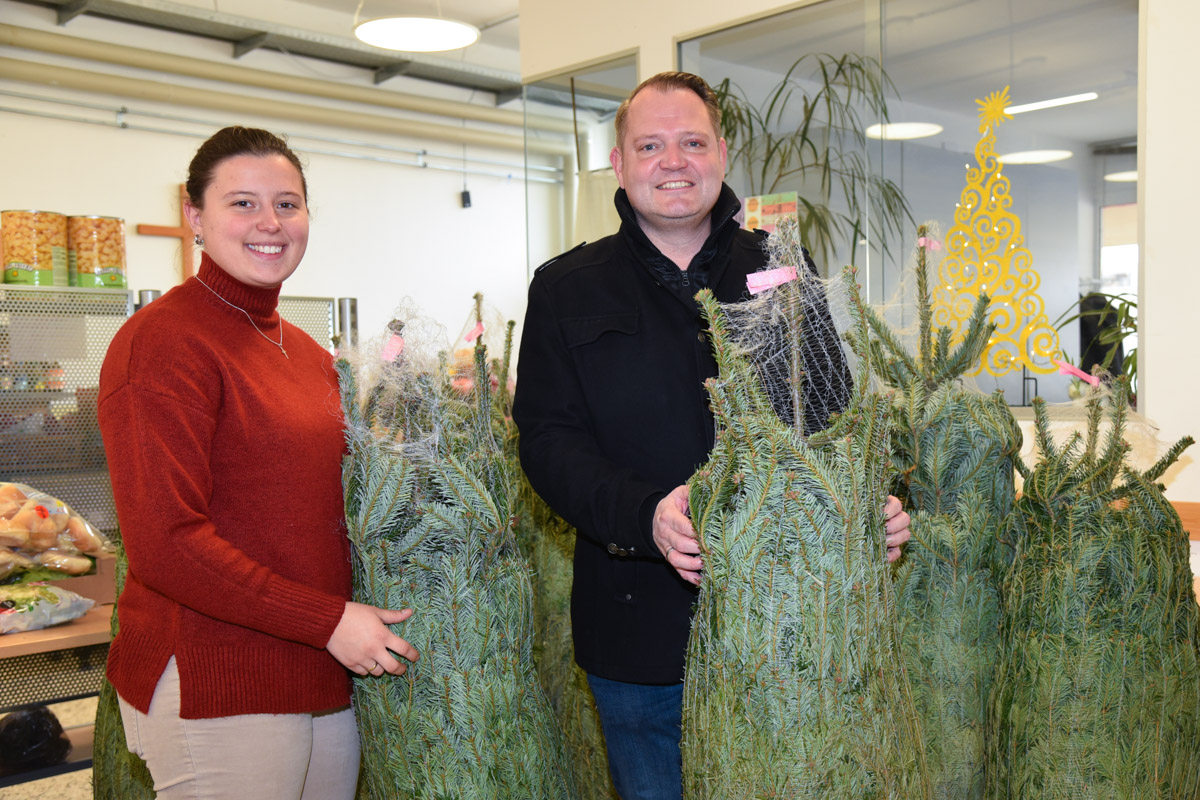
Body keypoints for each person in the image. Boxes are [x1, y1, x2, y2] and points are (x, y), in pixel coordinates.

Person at [511, 72, 911, 800]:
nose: (674, 161)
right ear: (620, 162)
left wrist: (875, 503)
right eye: (652, 144)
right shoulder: (567, 288)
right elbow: (547, 443)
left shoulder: (780, 271)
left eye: (692, 142)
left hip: (789, 622)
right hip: (639, 629)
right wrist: (646, 515)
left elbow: (839, 422)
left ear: (721, 153)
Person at [98, 126, 419, 799]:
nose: (269, 223)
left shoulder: (304, 352)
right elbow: (166, 544)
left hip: (316, 668)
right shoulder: (162, 343)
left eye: (287, 204)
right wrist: (328, 621)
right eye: (242, 203)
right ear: (196, 216)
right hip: (216, 679)